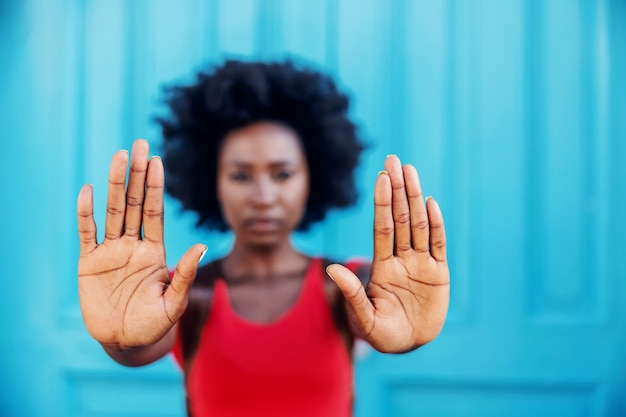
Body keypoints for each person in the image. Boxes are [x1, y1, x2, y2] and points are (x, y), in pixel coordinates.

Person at [76, 60, 450, 417]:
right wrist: (119, 340)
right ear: (212, 181)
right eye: (241, 176)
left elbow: (383, 310)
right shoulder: (185, 294)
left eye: (282, 174)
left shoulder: (344, 285)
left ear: (312, 177)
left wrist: (407, 329)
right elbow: (138, 344)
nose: (263, 196)